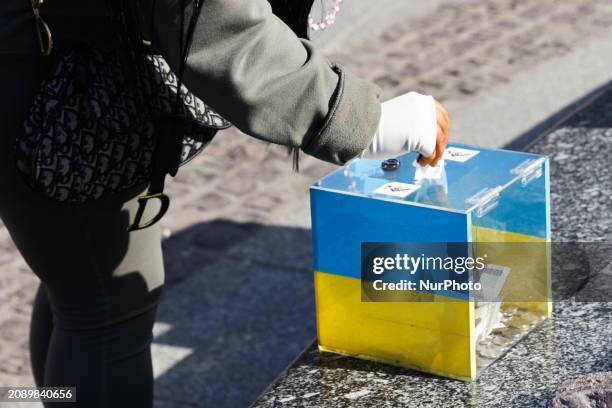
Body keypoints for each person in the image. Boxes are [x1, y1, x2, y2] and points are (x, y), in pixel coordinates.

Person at [0, 0, 450, 406]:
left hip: (47, 64)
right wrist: (362, 120)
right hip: (45, 81)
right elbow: (216, 21)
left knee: (82, 286)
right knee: (107, 304)